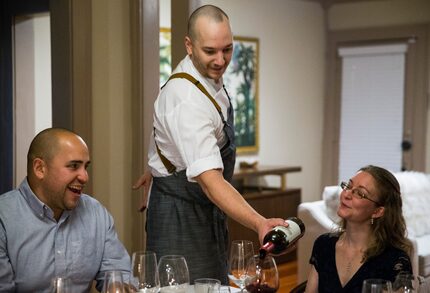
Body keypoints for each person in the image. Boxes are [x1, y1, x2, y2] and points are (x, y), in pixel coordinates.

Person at [133, 5, 288, 284]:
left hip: (205, 210)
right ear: (189, 46)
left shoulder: (207, 80)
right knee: (183, 288)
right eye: (210, 51)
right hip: (180, 217)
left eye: (227, 49)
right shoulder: (185, 98)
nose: (220, 60)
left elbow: (170, 135)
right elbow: (209, 180)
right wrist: (259, 223)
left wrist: (157, 165)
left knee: (213, 286)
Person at [0, 128, 131, 292]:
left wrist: (117, 286)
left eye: (85, 167)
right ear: (40, 168)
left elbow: (118, 274)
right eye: (73, 166)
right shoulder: (4, 218)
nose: (84, 177)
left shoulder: (96, 214)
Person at [305, 165, 413, 293]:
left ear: (377, 211)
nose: (346, 194)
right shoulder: (324, 245)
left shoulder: (396, 261)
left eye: (360, 193)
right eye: (349, 186)